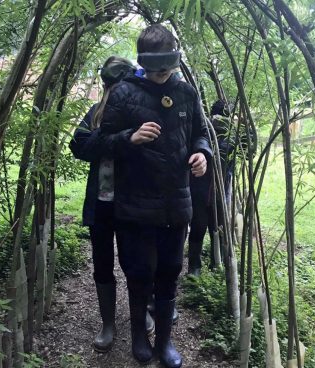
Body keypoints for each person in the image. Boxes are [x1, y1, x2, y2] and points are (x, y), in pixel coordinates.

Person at [99, 24, 212, 368]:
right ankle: (138, 336)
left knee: (169, 273)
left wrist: (202, 154)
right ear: (144, 63)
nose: (162, 76)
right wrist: (130, 138)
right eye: (155, 69)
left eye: (167, 69)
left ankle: (164, 343)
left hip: (176, 205)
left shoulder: (186, 93)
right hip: (135, 206)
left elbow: (200, 133)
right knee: (138, 274)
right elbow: (102, 143)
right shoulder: (123, 94)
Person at [69, 56, 154, 353]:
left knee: (136, 264)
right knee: (102, 264)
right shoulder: (95, 114)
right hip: (101, 204)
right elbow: (78, 145)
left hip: (133, 205)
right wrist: (123, 139)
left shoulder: (140, 113)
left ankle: (140, 313)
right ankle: (108, 323)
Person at [188, 99, 236, 276]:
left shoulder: (233, 133)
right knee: (199, 226)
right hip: (200, 189)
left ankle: (218, 265)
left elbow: (248, 150)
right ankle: (195, 266)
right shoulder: (204, 130)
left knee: (220, 228)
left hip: (221, 191)